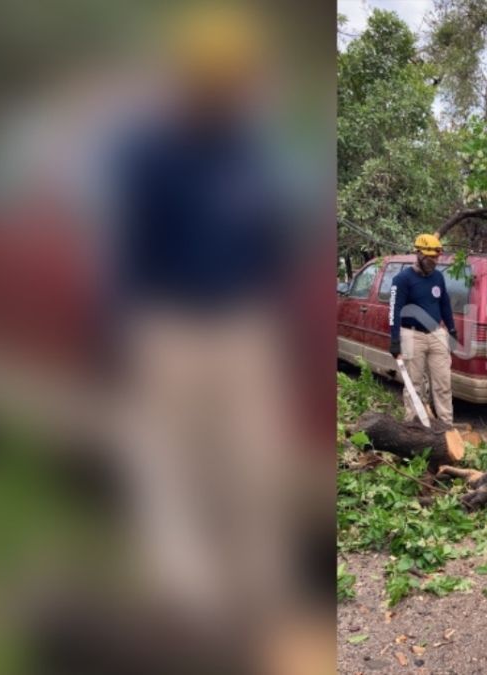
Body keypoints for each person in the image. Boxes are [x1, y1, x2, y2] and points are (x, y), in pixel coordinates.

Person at [107, 2, 298, 658]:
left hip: (244, 330)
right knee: (169, 471)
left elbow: (271, 242)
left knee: (252, 465)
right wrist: (121, 338)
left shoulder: (250, 153)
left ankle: (257, 601)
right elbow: (129, 252)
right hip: (169, 331)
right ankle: (185, 606)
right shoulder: (151, 154)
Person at [388, 233, 458, 427]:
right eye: (430, 258)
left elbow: (445, 304)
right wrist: (394, 340)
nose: (434, 262)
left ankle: (446, 426)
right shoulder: (402, 279)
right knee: (414, 385)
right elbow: (394, 310)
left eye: (436, 258)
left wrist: (452, 330)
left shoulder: (438, 277)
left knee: (443, 383)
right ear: (418, 254)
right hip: (411, 335)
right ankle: (413, 426)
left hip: (437, 334)